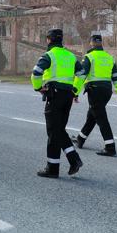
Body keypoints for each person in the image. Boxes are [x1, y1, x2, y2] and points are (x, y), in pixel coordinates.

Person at [31, 29, 84, 178]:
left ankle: (74, 160)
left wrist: (38, 88)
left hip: (54, 95)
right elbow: (81, 74)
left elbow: (36, 72)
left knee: (54, 130)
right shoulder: (70, 56)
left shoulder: (49, 55)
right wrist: (75, 90)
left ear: (49, 40)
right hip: (68, 96)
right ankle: (53, 169)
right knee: (57, 131)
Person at [71, 35, 117, 157]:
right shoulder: (109, 57)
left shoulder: (89, 57)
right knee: (93, 115)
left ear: (91, 43)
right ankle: (80, 139)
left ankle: (110, 147)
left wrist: (74, 92)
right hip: (106, 90)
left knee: (100, 117)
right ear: (101, 43)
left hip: (95, 90)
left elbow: (81, 76)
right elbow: (116, 77)